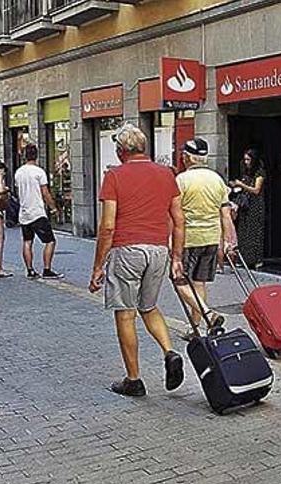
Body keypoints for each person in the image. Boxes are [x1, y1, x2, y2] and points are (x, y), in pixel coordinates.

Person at [88, 123, 186, 397]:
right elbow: (179, 221)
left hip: (127, 250)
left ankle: (133, 379)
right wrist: (176, 256)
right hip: (158, 250)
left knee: (126, 314)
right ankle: (169, 352)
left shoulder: (115, 176)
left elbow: (107, 226)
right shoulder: (167, 174)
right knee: (149, 306)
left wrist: (98, 266)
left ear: (121, 151)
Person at [174, 138, 235, 335]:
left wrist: (170, 243)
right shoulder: (217, 179)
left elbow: (175, 215)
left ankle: (208, 315)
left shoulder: (181, 180)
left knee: (179, 281)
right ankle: (195, 329)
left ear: (187, 158)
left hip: (189, 239)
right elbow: (225, 214)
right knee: (198, 283)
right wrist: (226, 241)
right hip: (211, 237)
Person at [14, 143, 63, 279]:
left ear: (24, 156)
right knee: (50, 241)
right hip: (37, 212)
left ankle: (29, 270)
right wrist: (53, 208)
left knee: (27, 241)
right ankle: (47, 269)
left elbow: (18, 192)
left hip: (24, 213)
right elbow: (45, 193)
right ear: (36, 155)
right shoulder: (39, 172)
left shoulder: (19, 173)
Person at [230, 149, 265, 268]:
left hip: (256, 206)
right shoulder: (246, 173)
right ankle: (245, 259)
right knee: (244, 232)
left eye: (248, 159)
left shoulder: (259, 173)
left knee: (255, 232)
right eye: (245, 159)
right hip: (246, 206)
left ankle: (257, 260)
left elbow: (256, 190)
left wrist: (241, 184)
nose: (246, 162)